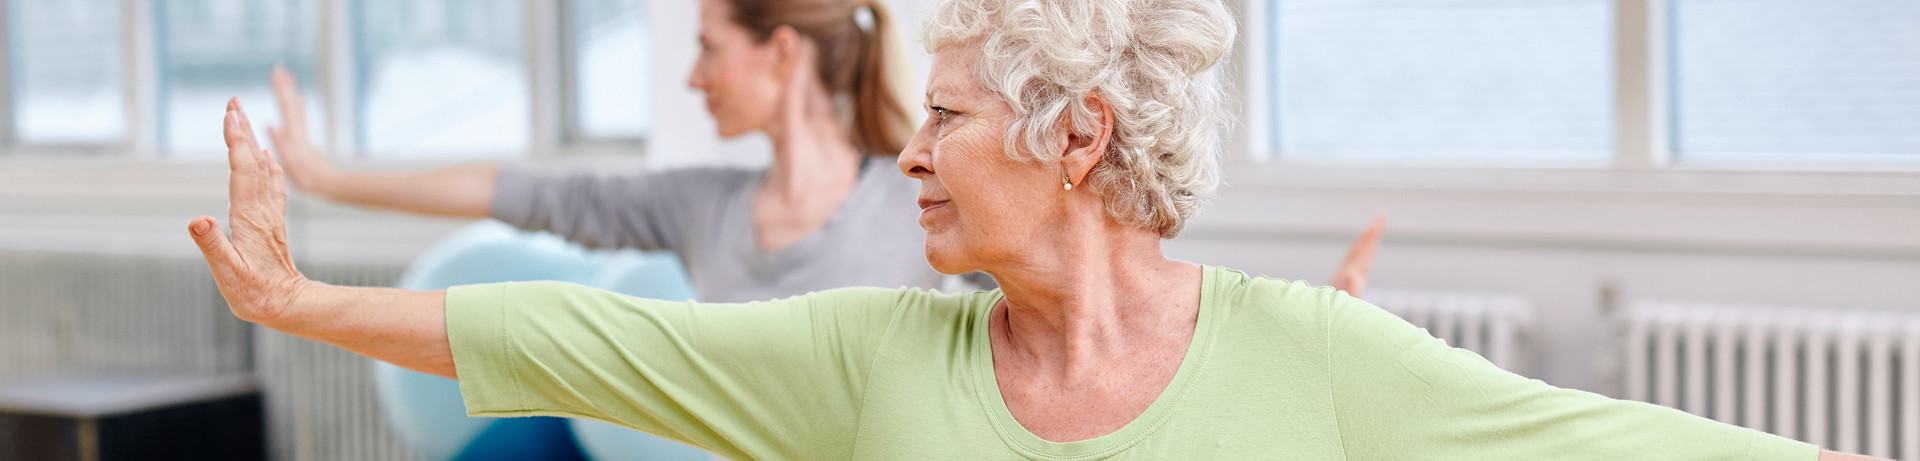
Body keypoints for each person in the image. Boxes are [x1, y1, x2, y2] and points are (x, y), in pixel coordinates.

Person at [190, 0, 1876, 458]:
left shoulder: (1309, 362)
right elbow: (591, 338)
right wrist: (302, 298)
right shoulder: (873, 359)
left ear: (1074, 140)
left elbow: (1589, 440)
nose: (908, 155)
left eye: (946, 123)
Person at [262, 0, 1376, 300]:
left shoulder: (935, 209)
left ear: (782, 53)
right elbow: (526, 191)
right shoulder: (699, 206)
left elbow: (1103, 273)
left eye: (709, 48)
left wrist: (1293, 325)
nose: (693, 76)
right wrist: (325, 176)